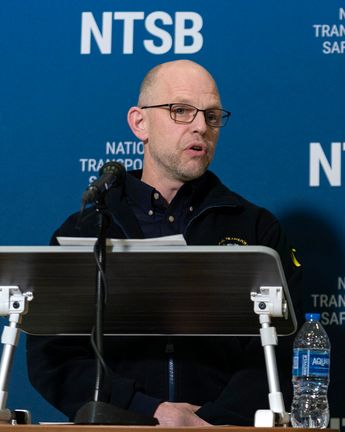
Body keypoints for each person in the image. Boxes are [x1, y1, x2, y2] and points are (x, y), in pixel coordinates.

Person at [26, 60, 302, 426]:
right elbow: (53, 355)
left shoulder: (256, 229)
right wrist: (147, 410)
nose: (201, 127)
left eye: (213, 116)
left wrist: (213, 420)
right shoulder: (86, 230)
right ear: (140, 123)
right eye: (181, 111)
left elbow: (289, 344)